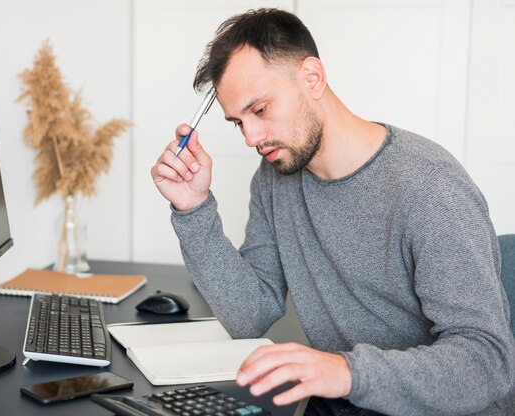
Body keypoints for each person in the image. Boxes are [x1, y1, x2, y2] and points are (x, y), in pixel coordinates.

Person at [150, 8, 515, 416]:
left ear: (312, 78)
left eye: (260, 110)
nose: (251, 137)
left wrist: (346, 372)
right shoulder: (275, 178)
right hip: (345, 403)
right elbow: (249, 315)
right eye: (238, 122)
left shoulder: (430, 189)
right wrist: (193, 209)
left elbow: (488, 362)